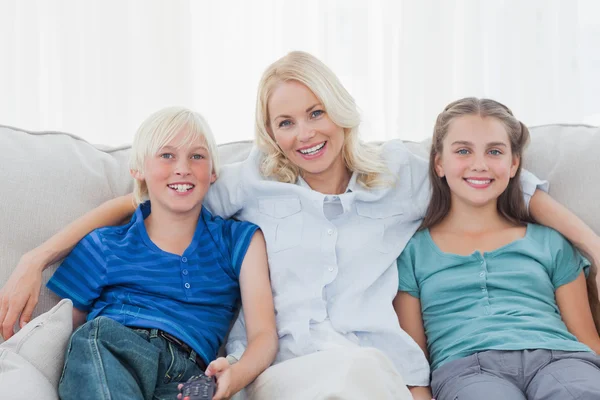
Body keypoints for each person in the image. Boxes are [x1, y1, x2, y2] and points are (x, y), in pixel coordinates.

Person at [1, 52, 599, 399]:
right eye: (286, 122)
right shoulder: (251, 182)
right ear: (270, 132)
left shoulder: (400, 173)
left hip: (378, 365)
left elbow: (507, 183)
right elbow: (145, 198)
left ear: (340, 114)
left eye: (316, 113)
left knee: (363, 374)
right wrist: (36, 258)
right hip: (282, 368)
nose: (305, 133)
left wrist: (592, 245)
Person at [46, 107, 277, 400]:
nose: (182, 167)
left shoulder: (239, 240)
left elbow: (264, 336)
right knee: (94, 344)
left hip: (191, 373)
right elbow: (64, 330)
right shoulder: (105, 244)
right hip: (115, 344)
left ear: (213, 172)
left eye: (197, 156)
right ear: (138, 170)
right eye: (167, 155)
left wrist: (235, 375)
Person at [395, 97, 600, 400]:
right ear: (439, 162)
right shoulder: (412, 252)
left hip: (562, 358)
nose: (480, 164)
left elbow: (587, 340)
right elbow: (414, 361)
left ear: (514, 163)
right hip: (467, 370)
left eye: (494, 152)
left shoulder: (550, 242)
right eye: (463, 151)